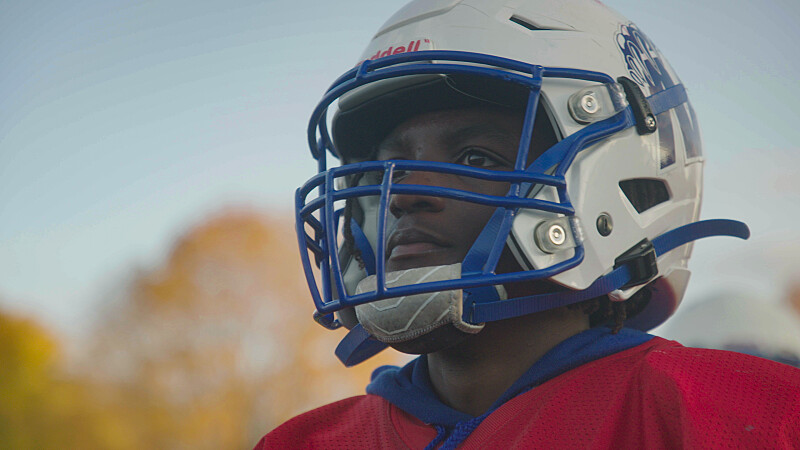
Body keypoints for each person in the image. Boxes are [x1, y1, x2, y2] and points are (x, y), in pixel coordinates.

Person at [257, 0, 800, 447]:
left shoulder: (729, 415)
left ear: (616, 179)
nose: (401, 197)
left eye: (475, 158)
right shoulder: (307, 441)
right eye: (387, 168)